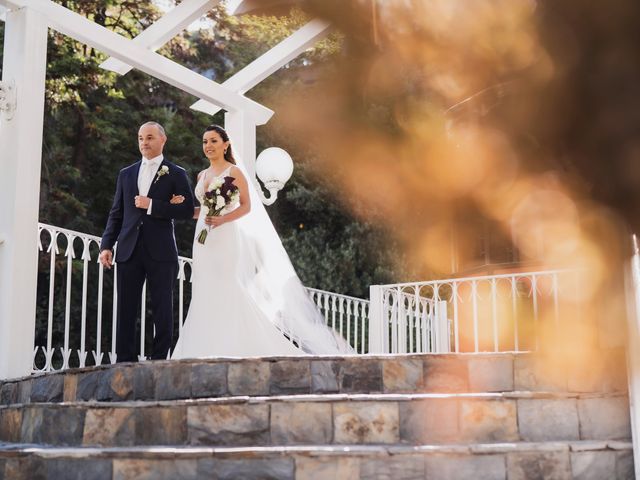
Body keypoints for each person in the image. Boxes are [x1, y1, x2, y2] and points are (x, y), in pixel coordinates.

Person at [171, 125, 352, 358]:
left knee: (226, 285)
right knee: (204, 288)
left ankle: (235, 342)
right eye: (205, 141)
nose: (208, 146)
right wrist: (182, 209)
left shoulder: (234, 172)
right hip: (203, 239)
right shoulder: (201, 175)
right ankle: (204, 343)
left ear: (225, 144)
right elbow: (202, 211)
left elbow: (247, 206)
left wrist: (223, 218)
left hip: (225, 236)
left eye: (214, 141)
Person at [99, 122, 195, 362]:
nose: (144, 142)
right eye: (140, 137)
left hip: (161, 251)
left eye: (150, 137)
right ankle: (124, 361)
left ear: (163, 140)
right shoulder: (126, 173)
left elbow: (186, 210)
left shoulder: (176, 173)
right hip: (128, 249)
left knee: (162, 308)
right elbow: (116, 213)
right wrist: (106, 245)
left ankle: (159, 360)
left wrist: (151, 205)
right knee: (126, 308)